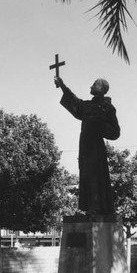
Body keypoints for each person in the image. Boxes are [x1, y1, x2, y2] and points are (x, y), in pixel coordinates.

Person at [54, 76, 120, 216]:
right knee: (86, 175)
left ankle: (97, 207)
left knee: (96, 175)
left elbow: (115, 132)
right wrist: (62, 86)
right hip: (85, 146)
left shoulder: (107, 107)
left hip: (96, 146)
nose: (91, 86)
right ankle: (90, 207)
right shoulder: (88, 105)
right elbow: (74, 101)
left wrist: (101, 124)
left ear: (101, 89)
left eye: (94, 84)